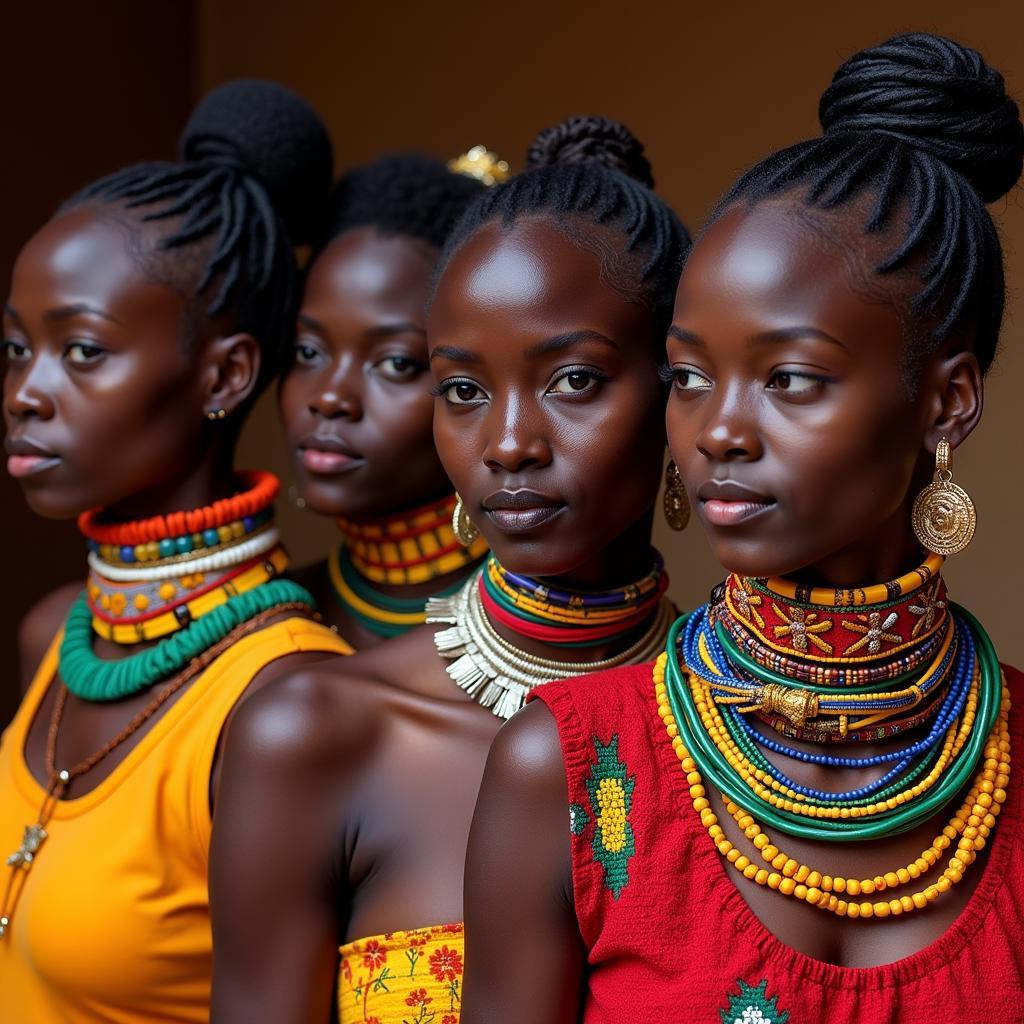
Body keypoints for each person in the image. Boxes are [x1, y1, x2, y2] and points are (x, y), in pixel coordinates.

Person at [463, 33, 1024, 1023]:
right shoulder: (566, 766)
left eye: (788, 378)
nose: (715, 429)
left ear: (947, 403)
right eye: (687, 375)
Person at [209, 116, 689, 1023]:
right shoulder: (311, 731)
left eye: (574, 380)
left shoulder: (758, 739)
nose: (507, 445)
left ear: (679, 388)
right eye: (462, 391)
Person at [0, 80, 350, 1022]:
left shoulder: (284, 707)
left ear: (226, 374)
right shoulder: (53, 640)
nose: (26, 391)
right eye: (14, 348)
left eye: (81, 351)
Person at [279, 152, 505, 648]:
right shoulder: (272, 619)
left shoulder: (538, 636)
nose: (331, 397)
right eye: (308, 351)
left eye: (396, 363)